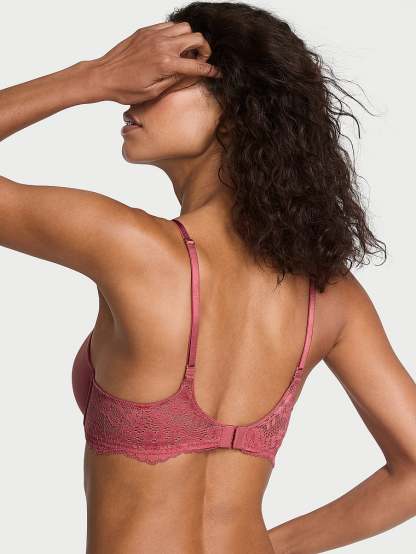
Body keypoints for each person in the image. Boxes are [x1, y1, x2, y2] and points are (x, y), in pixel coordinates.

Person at [1, 2, 415, 553]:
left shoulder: (134, 250)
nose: (131, 97)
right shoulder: (330, 296)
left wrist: (93, 77)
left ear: (237, 112)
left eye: (162, 81)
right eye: (132, 77)